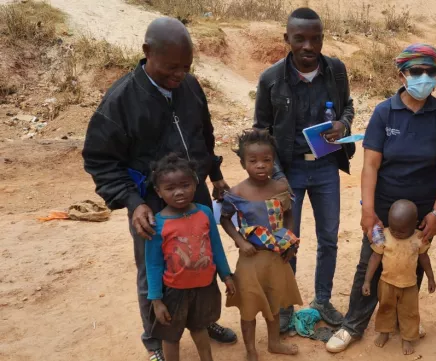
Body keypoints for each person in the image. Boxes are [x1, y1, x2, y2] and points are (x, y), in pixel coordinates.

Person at [82, 17, 237, 361]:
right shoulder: (120, 101)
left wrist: (215, 175)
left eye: (185, 66)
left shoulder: (191, 87)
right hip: (151, 204)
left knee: (202, 258)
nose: (178, 75)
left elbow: (204, 136)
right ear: (147, 52)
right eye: (171, 67)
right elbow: (99, 159)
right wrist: (133, 201)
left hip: (194, 194)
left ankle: (204, 320)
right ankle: (155, 339)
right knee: (152, 269)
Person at [326, 43, 436, 353]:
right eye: (416, 71)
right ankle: (353, 325)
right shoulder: (385, 112)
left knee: (410, 263)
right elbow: (371, 164)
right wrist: (368, 211)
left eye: (430, 71)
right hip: (384, 208)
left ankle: (403, 319)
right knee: (370, 264)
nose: (424, 77)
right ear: (402, 74)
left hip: (422, 211)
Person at [253, 7, 355, 330]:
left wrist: (343, 123)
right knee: (288, 240)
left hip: (326, 168)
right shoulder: (271, 79)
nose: (308, 47)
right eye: (300, 39)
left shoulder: (336, 72)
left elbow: (349, 106)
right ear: (287, 39)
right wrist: (275, 176)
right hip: (289, 172)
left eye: (315, 39)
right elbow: (261, 130)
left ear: (323, 39)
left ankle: (322, 300)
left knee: (329, 238)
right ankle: (285, 306)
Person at [220, 129, 303, 361]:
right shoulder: (236, 193)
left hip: (276, 258)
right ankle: (250, 350)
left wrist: (290, 243)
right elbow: (224, 219)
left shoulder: (279, 189)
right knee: (248, 306)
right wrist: (239, 241)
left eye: (267, 160)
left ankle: (274, 343)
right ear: (243, 162)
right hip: (250, 259)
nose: (260, 166)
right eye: (253, 161)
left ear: (273, 161)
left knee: (274, 301)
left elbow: (288, 216)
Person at [145, 154, 236, 361]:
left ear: (195, 183)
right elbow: (153, 264)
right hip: (173, 292)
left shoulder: (204, 213)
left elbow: (216, 247)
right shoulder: (157, 224)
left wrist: (226, 275)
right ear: (158, 192)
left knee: (200, 328)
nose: (179, 192)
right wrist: (156, 300)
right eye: (170, 188)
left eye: (185, 185)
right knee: (171, 336)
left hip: (205, 287)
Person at [362, 200, 435, 355]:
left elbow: (424, 259)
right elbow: (375, 258)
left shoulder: (419, 238)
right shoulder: (385, 235)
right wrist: (367, 280)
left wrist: (431, 278)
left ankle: (407, 338)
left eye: (401, 231)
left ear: (414, 224)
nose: (395, 233)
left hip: (409, 285)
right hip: (386, 283)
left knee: (410, 312)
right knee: (385, 308)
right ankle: (384, 332)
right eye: (393, 228)